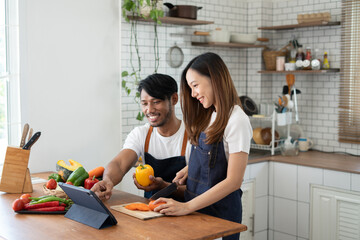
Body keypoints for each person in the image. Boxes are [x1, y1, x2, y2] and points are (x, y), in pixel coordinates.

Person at [152, 52, 252, 240]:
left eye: (195, 86)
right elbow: (216, 160)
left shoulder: (237, 120)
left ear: (214, 79)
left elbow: (233, 181)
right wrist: (190, 168)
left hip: (220, 217)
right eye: (190, 88)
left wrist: (186, 207)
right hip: (198, 211)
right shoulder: (212, 115)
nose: (193, 94)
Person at [92, 73, 191, 200]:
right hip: (149, 212)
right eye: (144, 103)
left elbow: (198, 191)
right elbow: (119, 164)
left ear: (174, 99)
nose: (149, 109)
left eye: (156, 102)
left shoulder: (192, 137)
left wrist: (163, 186)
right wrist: (107, 180)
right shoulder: (141, 134)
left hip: (187, 214)